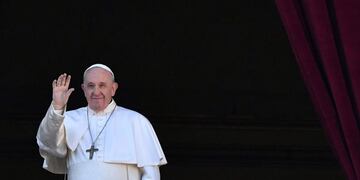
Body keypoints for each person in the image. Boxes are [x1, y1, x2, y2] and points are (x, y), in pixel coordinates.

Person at [36, 64, 167, 180]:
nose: (96, 92)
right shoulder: (68, 119)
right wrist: (58, 107)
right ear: (84, 89)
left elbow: (151, 174)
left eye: (102, 85)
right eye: (90, 86)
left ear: (113, 89)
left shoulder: (136, 121)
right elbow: (49, 146)